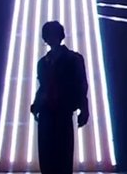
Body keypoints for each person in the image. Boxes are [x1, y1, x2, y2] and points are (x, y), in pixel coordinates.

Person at [30, 21, 89, 174]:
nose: (50, 38)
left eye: (53, 34)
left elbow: (81, 84)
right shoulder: (44, 62)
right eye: (48, 35)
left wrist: (84, 107)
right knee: (47, 158)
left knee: (62, 156)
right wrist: (36, 105)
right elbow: (43, 86)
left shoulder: (73, 59)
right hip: (48, 111)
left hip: (62, 110)